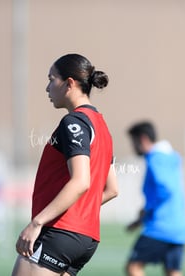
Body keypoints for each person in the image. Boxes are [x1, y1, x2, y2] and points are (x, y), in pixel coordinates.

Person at [11, 53, 118, 276]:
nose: (47, 88)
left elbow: (81, 182)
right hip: (85, 239)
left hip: (60, 232)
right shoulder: (102, 127)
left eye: (52, 79)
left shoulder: (74, 122)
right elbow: (111, 189)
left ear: (69, 83)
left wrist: (37, 222)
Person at [125, 121, 185, 276]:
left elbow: (165, 190)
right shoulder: (171, 157)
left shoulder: (155, 159)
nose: (133, 147)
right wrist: (140, 220)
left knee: (134, 267)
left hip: (160, 228)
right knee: (173, 271)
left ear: (143, 139)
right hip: (179, 228)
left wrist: (147, 211)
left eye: (133, 142)